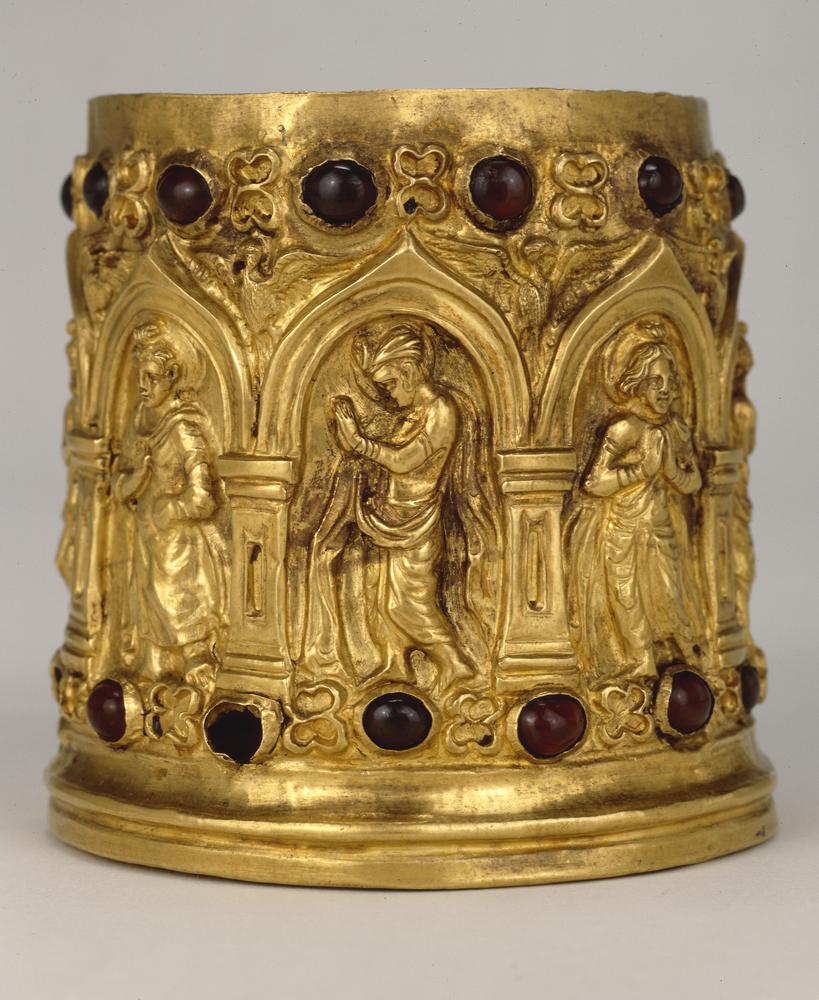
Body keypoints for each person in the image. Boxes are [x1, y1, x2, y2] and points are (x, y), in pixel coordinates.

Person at [303, 320, 498, 696]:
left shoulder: (441, 410)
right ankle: (396, 665)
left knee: (409, 603)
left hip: (417, 521)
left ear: (408, 370)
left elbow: (406, 460)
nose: (389, 395)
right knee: (381, 599)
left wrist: (359, 443)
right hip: (390, 516)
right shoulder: (412, 413)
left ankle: (457, 664)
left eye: (391, 383)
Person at [565, 329, 704, 680]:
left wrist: (671, 470)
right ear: (638, 384)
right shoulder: (623, 429)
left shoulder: (676, 430)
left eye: (669, 382)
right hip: (623, 528)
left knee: (670, 594)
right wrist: (640, 470)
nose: (665, 390)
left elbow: (695, 482)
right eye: (655, 381)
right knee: (627, 598)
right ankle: (641, 660)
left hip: (660, 527)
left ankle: (683, 655)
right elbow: (593, 483)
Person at [113, 316, 228, 687]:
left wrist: (170, 509)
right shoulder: (141, 421)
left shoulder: (184, 429)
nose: (143, 386)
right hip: (148, 541)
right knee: (151, 612)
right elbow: (119, 485)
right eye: (140, 377)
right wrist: (137, 479)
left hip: (179, 548)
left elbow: (205, 499)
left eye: (152, 377)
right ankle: (157, 681)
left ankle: (199, 672)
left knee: (180, 611)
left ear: (172, 376)